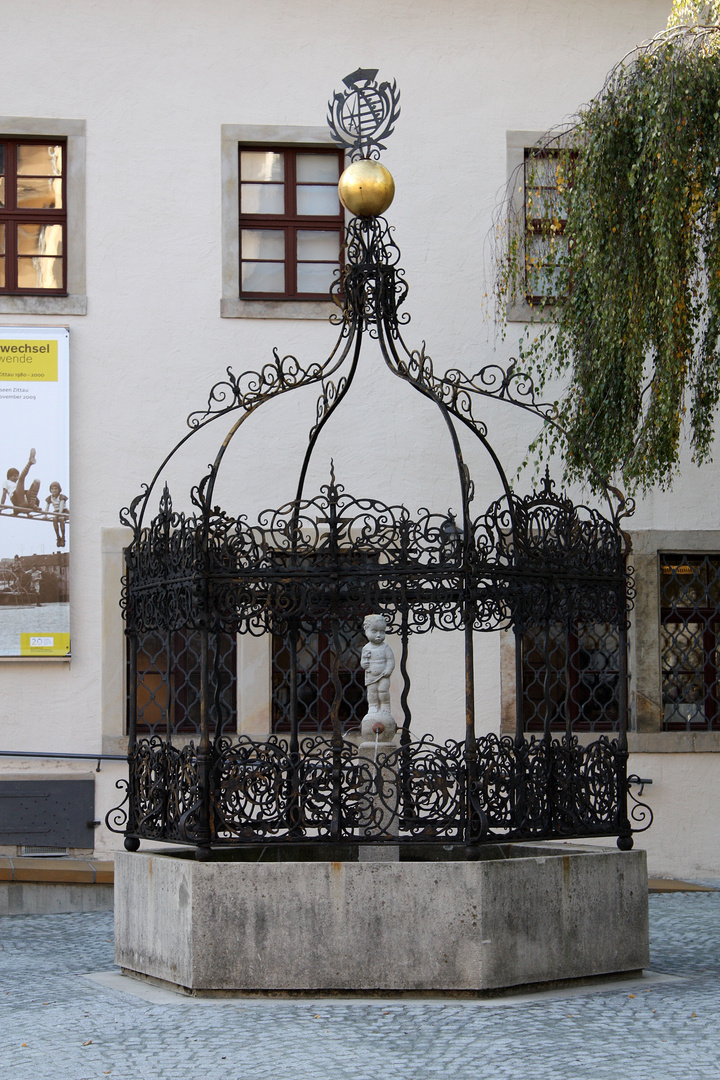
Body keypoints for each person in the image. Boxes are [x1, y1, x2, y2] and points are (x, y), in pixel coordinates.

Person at [360, 613, 395, 714]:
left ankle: (385, 705)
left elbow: (390, 660)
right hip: (371, 676)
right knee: (372, 693)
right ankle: (373, 706)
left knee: (383, 691)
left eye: (382, 632)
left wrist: (388, 669)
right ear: (366, 631)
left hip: (383, 675)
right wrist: (364, 664)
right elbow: (363, 661)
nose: (379, 635)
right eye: (374, 631)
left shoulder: (385, 648)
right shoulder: (366, 648)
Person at [1, 448, 37, 515]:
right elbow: (4, 496)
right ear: (9, 476)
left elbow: (22, 494)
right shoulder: (6, 482)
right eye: (14, 476)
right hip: (16, 498)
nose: (16, 477)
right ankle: (29, 463)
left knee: (36, 482)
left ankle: (32, 503)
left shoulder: (17, 484)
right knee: (21, 479)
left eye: (17, 476)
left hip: (24, 500)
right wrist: (1, 506)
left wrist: (28, 514)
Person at [45, 481, 69, 547]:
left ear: (59, 490)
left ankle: (63, 537)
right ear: (50, 490)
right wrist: (45, 515)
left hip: (63, 511)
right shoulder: (50, 498)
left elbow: (61, 506)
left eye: (56, 489)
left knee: (61, 519)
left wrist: (60, 514)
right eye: (52, 489)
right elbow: (47, 507)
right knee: (54, 519)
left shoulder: (61, 497)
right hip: (56, 511)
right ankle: (58, 537)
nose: (54, 490)